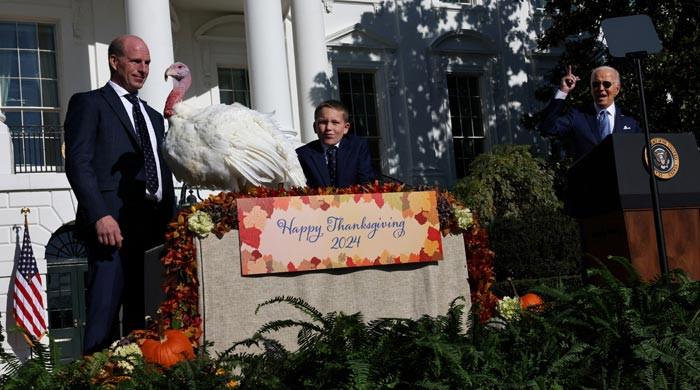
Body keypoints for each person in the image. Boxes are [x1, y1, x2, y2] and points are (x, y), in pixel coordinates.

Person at [64, 35, 175, 354]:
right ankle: (96, 379)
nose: (144, 69)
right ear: (115, 61)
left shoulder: (154, 117)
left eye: (148, 62)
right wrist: (99, 213)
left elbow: (161, 170)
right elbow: (78, 162)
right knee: (104, 316)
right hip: (111, 228)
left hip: (153, 230)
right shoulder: (90, 103)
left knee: (148, 321)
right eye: (136, 61)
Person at [539, 65, 642, 159]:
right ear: (591, 89)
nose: (601, 89)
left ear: (617, 89)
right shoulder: (577, 116)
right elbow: (548, 129)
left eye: (606, 84)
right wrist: (563, 91)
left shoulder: (630, 120)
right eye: (596, 84)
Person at [296, 100, 375, 187]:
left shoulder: (358, 147)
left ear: (346, 128)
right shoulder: (303, 154)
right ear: (315, 127)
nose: (329, 128)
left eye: (335, 122)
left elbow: (366, 183)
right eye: (323, 122)